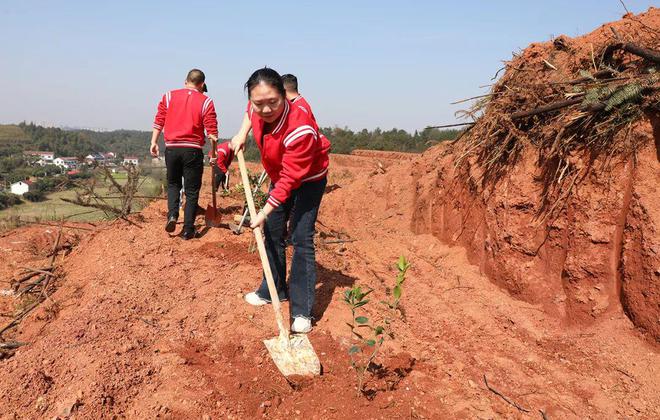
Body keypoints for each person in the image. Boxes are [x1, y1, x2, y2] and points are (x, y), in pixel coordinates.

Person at [231, 68, 329, 333]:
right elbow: (249, 114)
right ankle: (271, 289)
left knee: (300, 237)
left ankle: (301, 311)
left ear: (284, 96)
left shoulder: (300, 128)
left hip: (308, 178)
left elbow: (289, 180)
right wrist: (241, 135)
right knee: (273, 232)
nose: (265, 109)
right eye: (259, 103)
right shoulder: (257, 107)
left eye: (272, 102)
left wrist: (263, 210)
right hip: (280, 174)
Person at [150, 69, 218, 240]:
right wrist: (214, 153)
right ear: (202, 84)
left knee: (173, 184)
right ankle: (188, 229)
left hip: (172, 148)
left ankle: (172, 215)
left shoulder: (168, 96)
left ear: (185, 81)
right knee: (192, 191)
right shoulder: (206, 101)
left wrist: (153, 142)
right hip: (192, 150)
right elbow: (212, 132)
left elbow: (159, 120)